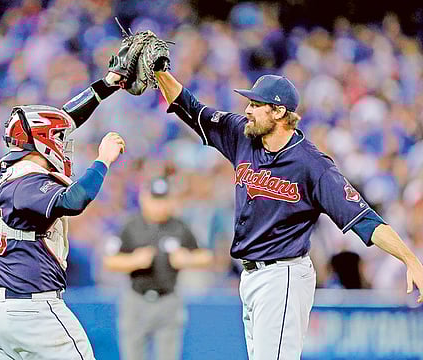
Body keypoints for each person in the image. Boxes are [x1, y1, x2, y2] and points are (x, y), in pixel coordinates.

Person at [108, 65, 423, 359]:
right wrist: (162, 72)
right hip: (252, 276)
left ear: (280, 112)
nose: (247, 109)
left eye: (257, 104)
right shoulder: (241, 136)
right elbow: (191, 108)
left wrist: (409, 258)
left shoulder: (313, 166)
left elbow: (364, 219)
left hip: (283, 274)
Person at [0, 71, 127, 360]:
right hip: (33, 312)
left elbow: (65, 119)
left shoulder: (8, 171)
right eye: (58, 138)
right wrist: (103, 160)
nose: (62, 141)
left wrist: (106, 85)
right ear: (43, 142)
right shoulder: (26, 181)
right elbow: (74, 200)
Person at [104, 176, 213, 360]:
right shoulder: (130, 225)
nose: (159, 205)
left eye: (163, 200)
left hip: (168, 299)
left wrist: (187, 258)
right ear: (144, 199)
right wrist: (134, 261)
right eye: (155, 199)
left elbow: (206, 256)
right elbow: (109, 260)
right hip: (136, 299)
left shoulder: (180, 226)